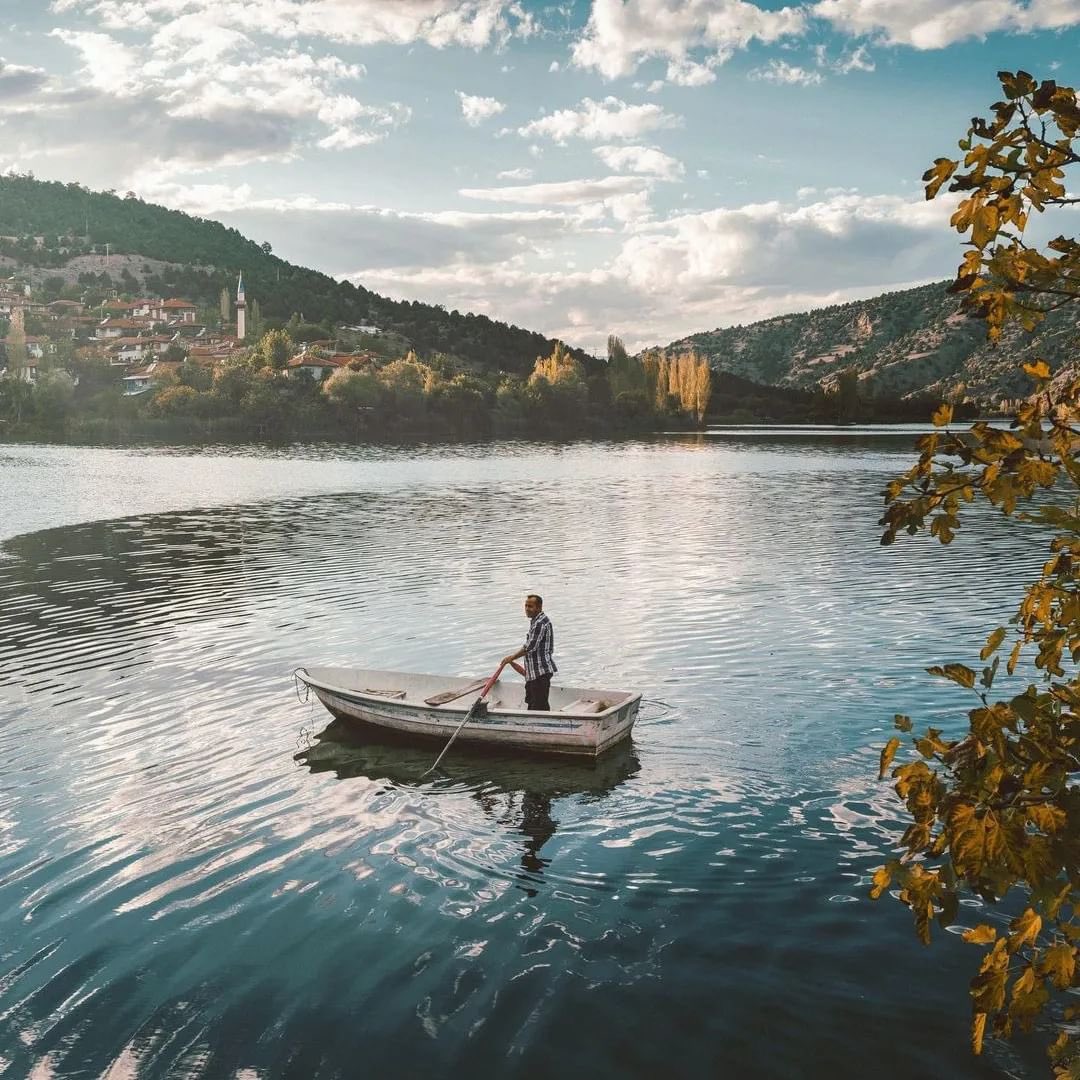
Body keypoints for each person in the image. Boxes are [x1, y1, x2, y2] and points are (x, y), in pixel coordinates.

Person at [502, 594, 556, 711]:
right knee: (532, 704)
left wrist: (512, 657)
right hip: (534, 673)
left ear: (539, 607)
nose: (527, 609)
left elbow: (530, 647)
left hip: (540, 673)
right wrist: (511, 661)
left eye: (530, 606)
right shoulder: (536, 621)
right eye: (525, 606)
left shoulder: (540, 623)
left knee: (539, 707)